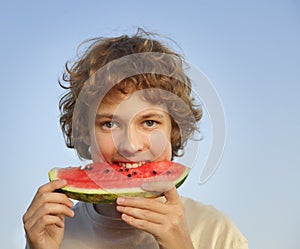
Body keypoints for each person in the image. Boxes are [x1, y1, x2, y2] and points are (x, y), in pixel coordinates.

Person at [23, 28, 248, 249]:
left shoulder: (216, 233)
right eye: (109, 124)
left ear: (174, 130)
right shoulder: (55, 232)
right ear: (84, 133)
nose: (130, 146)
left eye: (149, 122)